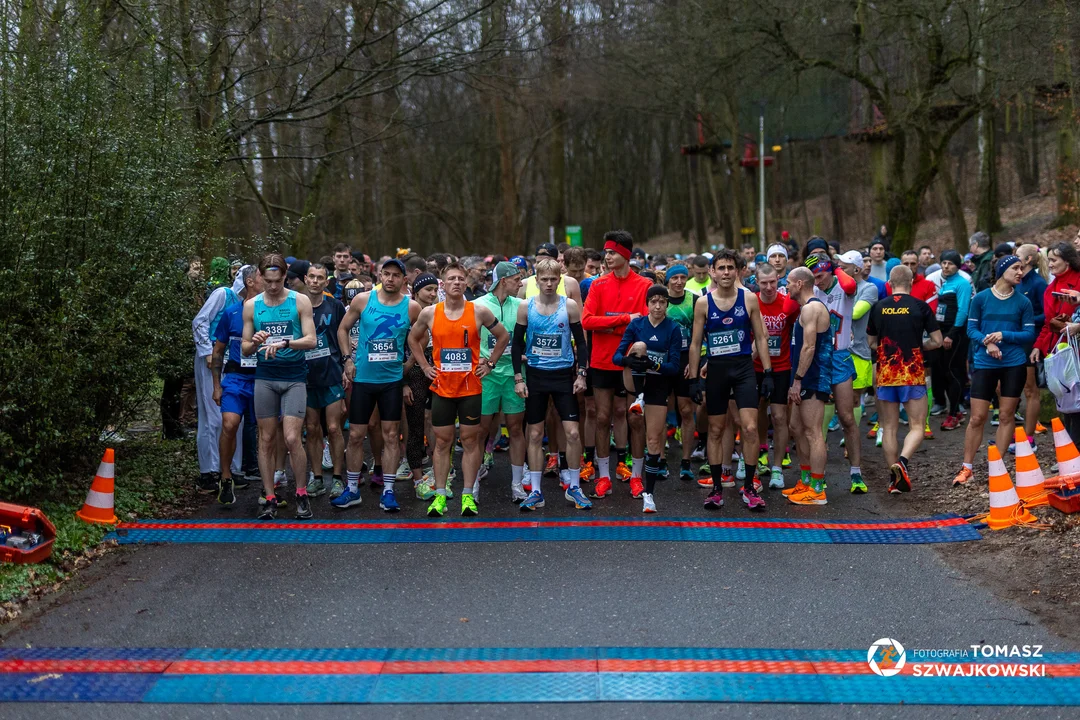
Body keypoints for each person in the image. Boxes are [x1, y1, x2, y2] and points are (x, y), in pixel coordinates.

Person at [408, 263, 510, 517]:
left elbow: (503, 336)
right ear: (443, 284)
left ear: (466, 283)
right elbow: (412, 338)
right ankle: (440, 495)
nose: (456, 282)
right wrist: (424, 365)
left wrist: (491, 363)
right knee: (442, 442)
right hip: (442, 388)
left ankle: (468, 495)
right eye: (451, 278)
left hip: (470, 389)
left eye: (461, 279)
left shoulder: (479, 311)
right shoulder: (430, 313)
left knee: (470, 441)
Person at [688, 249, 775, 511]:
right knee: (715, 430)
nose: (726, 272)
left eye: (730, 268)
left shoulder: (749, 299)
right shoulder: (703, 303)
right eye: (721, 268)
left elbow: (761, 337)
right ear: (712, 272)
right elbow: (694, 344)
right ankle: (717, 488)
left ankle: (749, 487)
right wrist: (693, 378)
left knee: (749, 428)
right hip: (716, 371)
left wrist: (768, 372)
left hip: (743, 369)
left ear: (737, 272)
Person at [334, 259, 421, 512]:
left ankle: (389, 491)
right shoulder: (362, 300)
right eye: (387, 274)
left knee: (392, 436)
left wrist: (410, 363)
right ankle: (352, 489)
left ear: (404, 279)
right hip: (363, 379)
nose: (391, 279)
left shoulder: (411, 306)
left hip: (391, 381)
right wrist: (347, 360)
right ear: (380, 275)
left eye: (396, 275)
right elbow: (343, 329)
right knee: (357, 435)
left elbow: (421, 335)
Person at [242, 254, 319, 520]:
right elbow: (244, 347)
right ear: (261, 278)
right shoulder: (252, 305)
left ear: (285, 276)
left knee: (290, 438)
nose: (273, 286)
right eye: (268, 281)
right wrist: (255, 341)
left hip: (294, 376)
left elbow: (311, 340)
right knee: (265, 439)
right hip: (265, 377)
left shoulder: (300, 301)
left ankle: (300, 493)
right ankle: (269, 497)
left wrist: (286, 343)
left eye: (278, 281)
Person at [513, 259, 592, 511]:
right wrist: (518, 378)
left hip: (562, 375)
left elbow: (581, 342)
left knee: (572, 433)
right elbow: (516, 344)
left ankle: (574, 486)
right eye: (544, 279)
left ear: (560, 281)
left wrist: (581, 374)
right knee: (535, 434)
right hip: (535, 376)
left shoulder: (568, 306)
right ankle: (536, 491)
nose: (548, 283)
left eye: (553, 279)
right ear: (536, 281)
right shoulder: (526, 306)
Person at [582, 231, 653, 497]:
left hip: (631, 363)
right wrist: (624, 320)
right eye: (606, 252)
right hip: (601, 361)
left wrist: (613, 325)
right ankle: (603, 476)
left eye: (611, 252)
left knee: (633, 417)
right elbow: (588, 320)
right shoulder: (598, 285)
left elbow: (645, 324)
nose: (607, 257)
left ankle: (635, 476)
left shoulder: (644, 285)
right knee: (602, 417)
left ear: (625, 254)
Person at [953, 255, 1035, 486]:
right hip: (985, 363)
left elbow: (1029, 334)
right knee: (977, 417)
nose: (1021, 272)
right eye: (1016, 268)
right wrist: (987, 343)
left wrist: (1003, 335)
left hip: (1014, 364)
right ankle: (967, 468)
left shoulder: (1023, 302)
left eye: (1022, 268)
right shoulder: (980, 298)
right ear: (1002, 271)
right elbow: (971, 329)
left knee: (1007, 415)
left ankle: (997, 469)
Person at [867, 266, 942, 493]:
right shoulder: (920, 306)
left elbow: (871, 342)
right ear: (911, 282)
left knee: (888, 427)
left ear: (889, 282)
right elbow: (937, 340)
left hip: (886, 373)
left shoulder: (879, 307)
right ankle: (903, 462)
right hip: (912, 371)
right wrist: (921, 347)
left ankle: (893, 480)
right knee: (917, 426)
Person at [614, 285, 681, 512]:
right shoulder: (636, 325)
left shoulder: (673, 328)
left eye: (662, 302)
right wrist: (631, 361)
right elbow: (616, 357)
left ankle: (649, 494)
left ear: (667, 305)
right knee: (640, 345)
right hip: (635, 382)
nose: (658, 306)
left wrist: (654, 364)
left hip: (659, 384)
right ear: (647, 304)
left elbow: (674, 367)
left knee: (653, 440)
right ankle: (638, 397)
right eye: (654, 301)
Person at [804, 243, 864, 491]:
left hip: (839, 356)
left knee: (847, 417)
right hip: (818, 359)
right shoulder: (811, 291)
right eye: (813, 277)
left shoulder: (843, 286)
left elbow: (850, 285)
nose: (816, 281)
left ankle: (856, 472)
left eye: (820, 275)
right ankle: (818, 473)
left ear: (829, 270)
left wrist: (836, 266)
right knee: (814, 424)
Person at [475, 262, 528, 501]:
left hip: (514, 374)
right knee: (481, 431)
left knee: (516, 428)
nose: (521, 284)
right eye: (518, 279)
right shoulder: (478, 305)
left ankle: (517, 484)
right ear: (503, 281)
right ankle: (472, 482)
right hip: (486, 375)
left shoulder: (521, 305)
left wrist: (527, 352)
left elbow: (530, 337)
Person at [210, 265, 263, 504]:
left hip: (263, 378)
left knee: (267, 432)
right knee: (229, 424)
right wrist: (216, 385)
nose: (270, 282)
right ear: (251, 281)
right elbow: (218, 350)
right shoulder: (231, 312)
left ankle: (269, 486)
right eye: (263, 277)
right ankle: (225, 477)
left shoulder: (270, 312)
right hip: (235, 378)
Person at [192, 267, 247, 492]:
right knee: (212, 416)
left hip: (234, 364)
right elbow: (200, 320)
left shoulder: (251, 304)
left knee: (235, 419)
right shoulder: (223, 294)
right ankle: (209, 472)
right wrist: (206, 351)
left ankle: (233, 469)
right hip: (210, 361)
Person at [783, 267, 833, 504]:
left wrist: (798, 379)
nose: (787, 286)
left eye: (789, 283)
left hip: (813, 377)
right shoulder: (805, 309)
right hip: (803, 376)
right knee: (796, 427)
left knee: (813, 432)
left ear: (800, 283)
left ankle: (818, 487)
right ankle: (805, 480)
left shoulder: (813, 308)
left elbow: (809, 347)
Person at [299, 263, 347, 497]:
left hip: (331, 374)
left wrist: (347, 363)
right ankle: (316, 477)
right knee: (311, 428)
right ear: (305, 279)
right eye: (312, 277)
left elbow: (343, 335)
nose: (316, 281)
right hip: (306, 376)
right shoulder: (297, 305)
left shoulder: (335, 306)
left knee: (334, 427)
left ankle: (338, 478)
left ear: (326, 282)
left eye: (320, 277)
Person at [753, 263, 800, 489]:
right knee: (756, 411)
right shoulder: (752, 301)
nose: (770, 287)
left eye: (773, 282)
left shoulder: (788, 304)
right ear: (756, 282)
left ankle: (778, 468)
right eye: (764, 283)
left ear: (779, 279)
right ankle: (758, 451)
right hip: (754, 367)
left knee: (780, 417)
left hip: (781, 366)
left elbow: (796, 330)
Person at [402, 273, 440, 499]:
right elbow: (399, 347)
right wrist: (404, 383)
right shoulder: (406, 313)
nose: (433, 294)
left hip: (438, 367)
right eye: (428, 289)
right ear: (415, 293)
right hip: (414, 370)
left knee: (439, 424)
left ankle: (440, 472)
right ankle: (418, 479)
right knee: (415, 425)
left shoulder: (442, 311)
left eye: (435, 289)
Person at [664, 264, 700, 482]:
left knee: (686, 410)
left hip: (686, 358)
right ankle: (659, 460)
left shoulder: (694, 300)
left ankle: (685, 462)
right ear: (667, 280)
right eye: (674, 278)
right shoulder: (660, 299)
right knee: (660, 410)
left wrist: (693, 363)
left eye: (683, 277)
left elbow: (697, 337)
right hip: (664, 358)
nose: (679, 281)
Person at [932, 250, 973, 431]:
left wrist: (952, 333)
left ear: (958, 266)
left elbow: (963, 311)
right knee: (944, 372)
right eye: (943, 263)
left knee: (954, 372)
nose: (946, 266)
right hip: (943, 331)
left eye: (950, 263)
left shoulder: (962, 284)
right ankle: (954, 410)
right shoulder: (945, 283)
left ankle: (954, 412)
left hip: (955, 334)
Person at [1016, 243, 1048, 450]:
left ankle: (1029, 439)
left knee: (1030, 388)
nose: (1013, 258)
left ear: (1028, 260)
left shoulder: (1038, 283)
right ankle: (1014, 435)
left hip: (1031, 341)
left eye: (1016, 255)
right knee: (1007, 388)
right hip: (1015, 340)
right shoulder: (1015, 281)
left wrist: (1024, 320)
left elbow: (1047, 315)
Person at [1032, 242, 1080, 370]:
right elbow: (1048, 323)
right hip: (1057, 352)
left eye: (1053, 260)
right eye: (1049, 260)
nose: (1050, 265)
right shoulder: (1049, 290)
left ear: (1067, 261)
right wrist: (1038, 345)